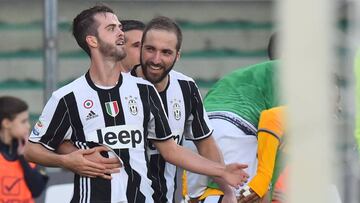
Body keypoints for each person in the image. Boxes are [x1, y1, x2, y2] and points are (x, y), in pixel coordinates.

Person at [24, 5, 248, 203]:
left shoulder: (144, 91)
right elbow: (32, 149)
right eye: (111, 29)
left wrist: (223, 170)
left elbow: (170, 149)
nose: (120, 33)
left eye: (120, 27)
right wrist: (67, 161)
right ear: (92, 41)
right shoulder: (67, 97)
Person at [128, 16, 239, 203]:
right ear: (141, 49)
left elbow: (206, 144)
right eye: (150, 49)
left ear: (177, 55)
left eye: (166, 52)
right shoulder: (121, 87)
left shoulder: (186, 87)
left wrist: (227, 191)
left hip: (166, 197)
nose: (156, 59)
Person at [0, 96, 48, 202]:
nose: (28, 126)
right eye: (23, 121)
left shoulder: (31, 150)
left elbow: (37, 190)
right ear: (6, 123)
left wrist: (23, 157)